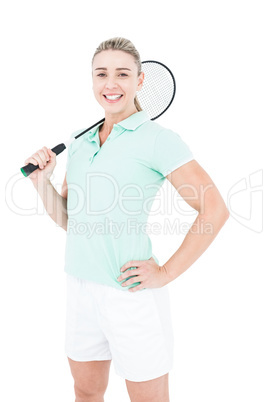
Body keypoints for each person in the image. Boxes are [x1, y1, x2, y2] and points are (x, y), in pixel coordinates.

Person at [24, 37, 229, 402]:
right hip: (80, 287)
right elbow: (71, 220)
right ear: (92, 81)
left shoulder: (158, 140)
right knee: (86, 391)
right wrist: (43, 181)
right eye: (101, 74)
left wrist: (165, 272)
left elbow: (214, 209)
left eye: (122, 73)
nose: (111, 84)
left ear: (140, 81)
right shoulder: (81, 142)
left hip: (131, 295)